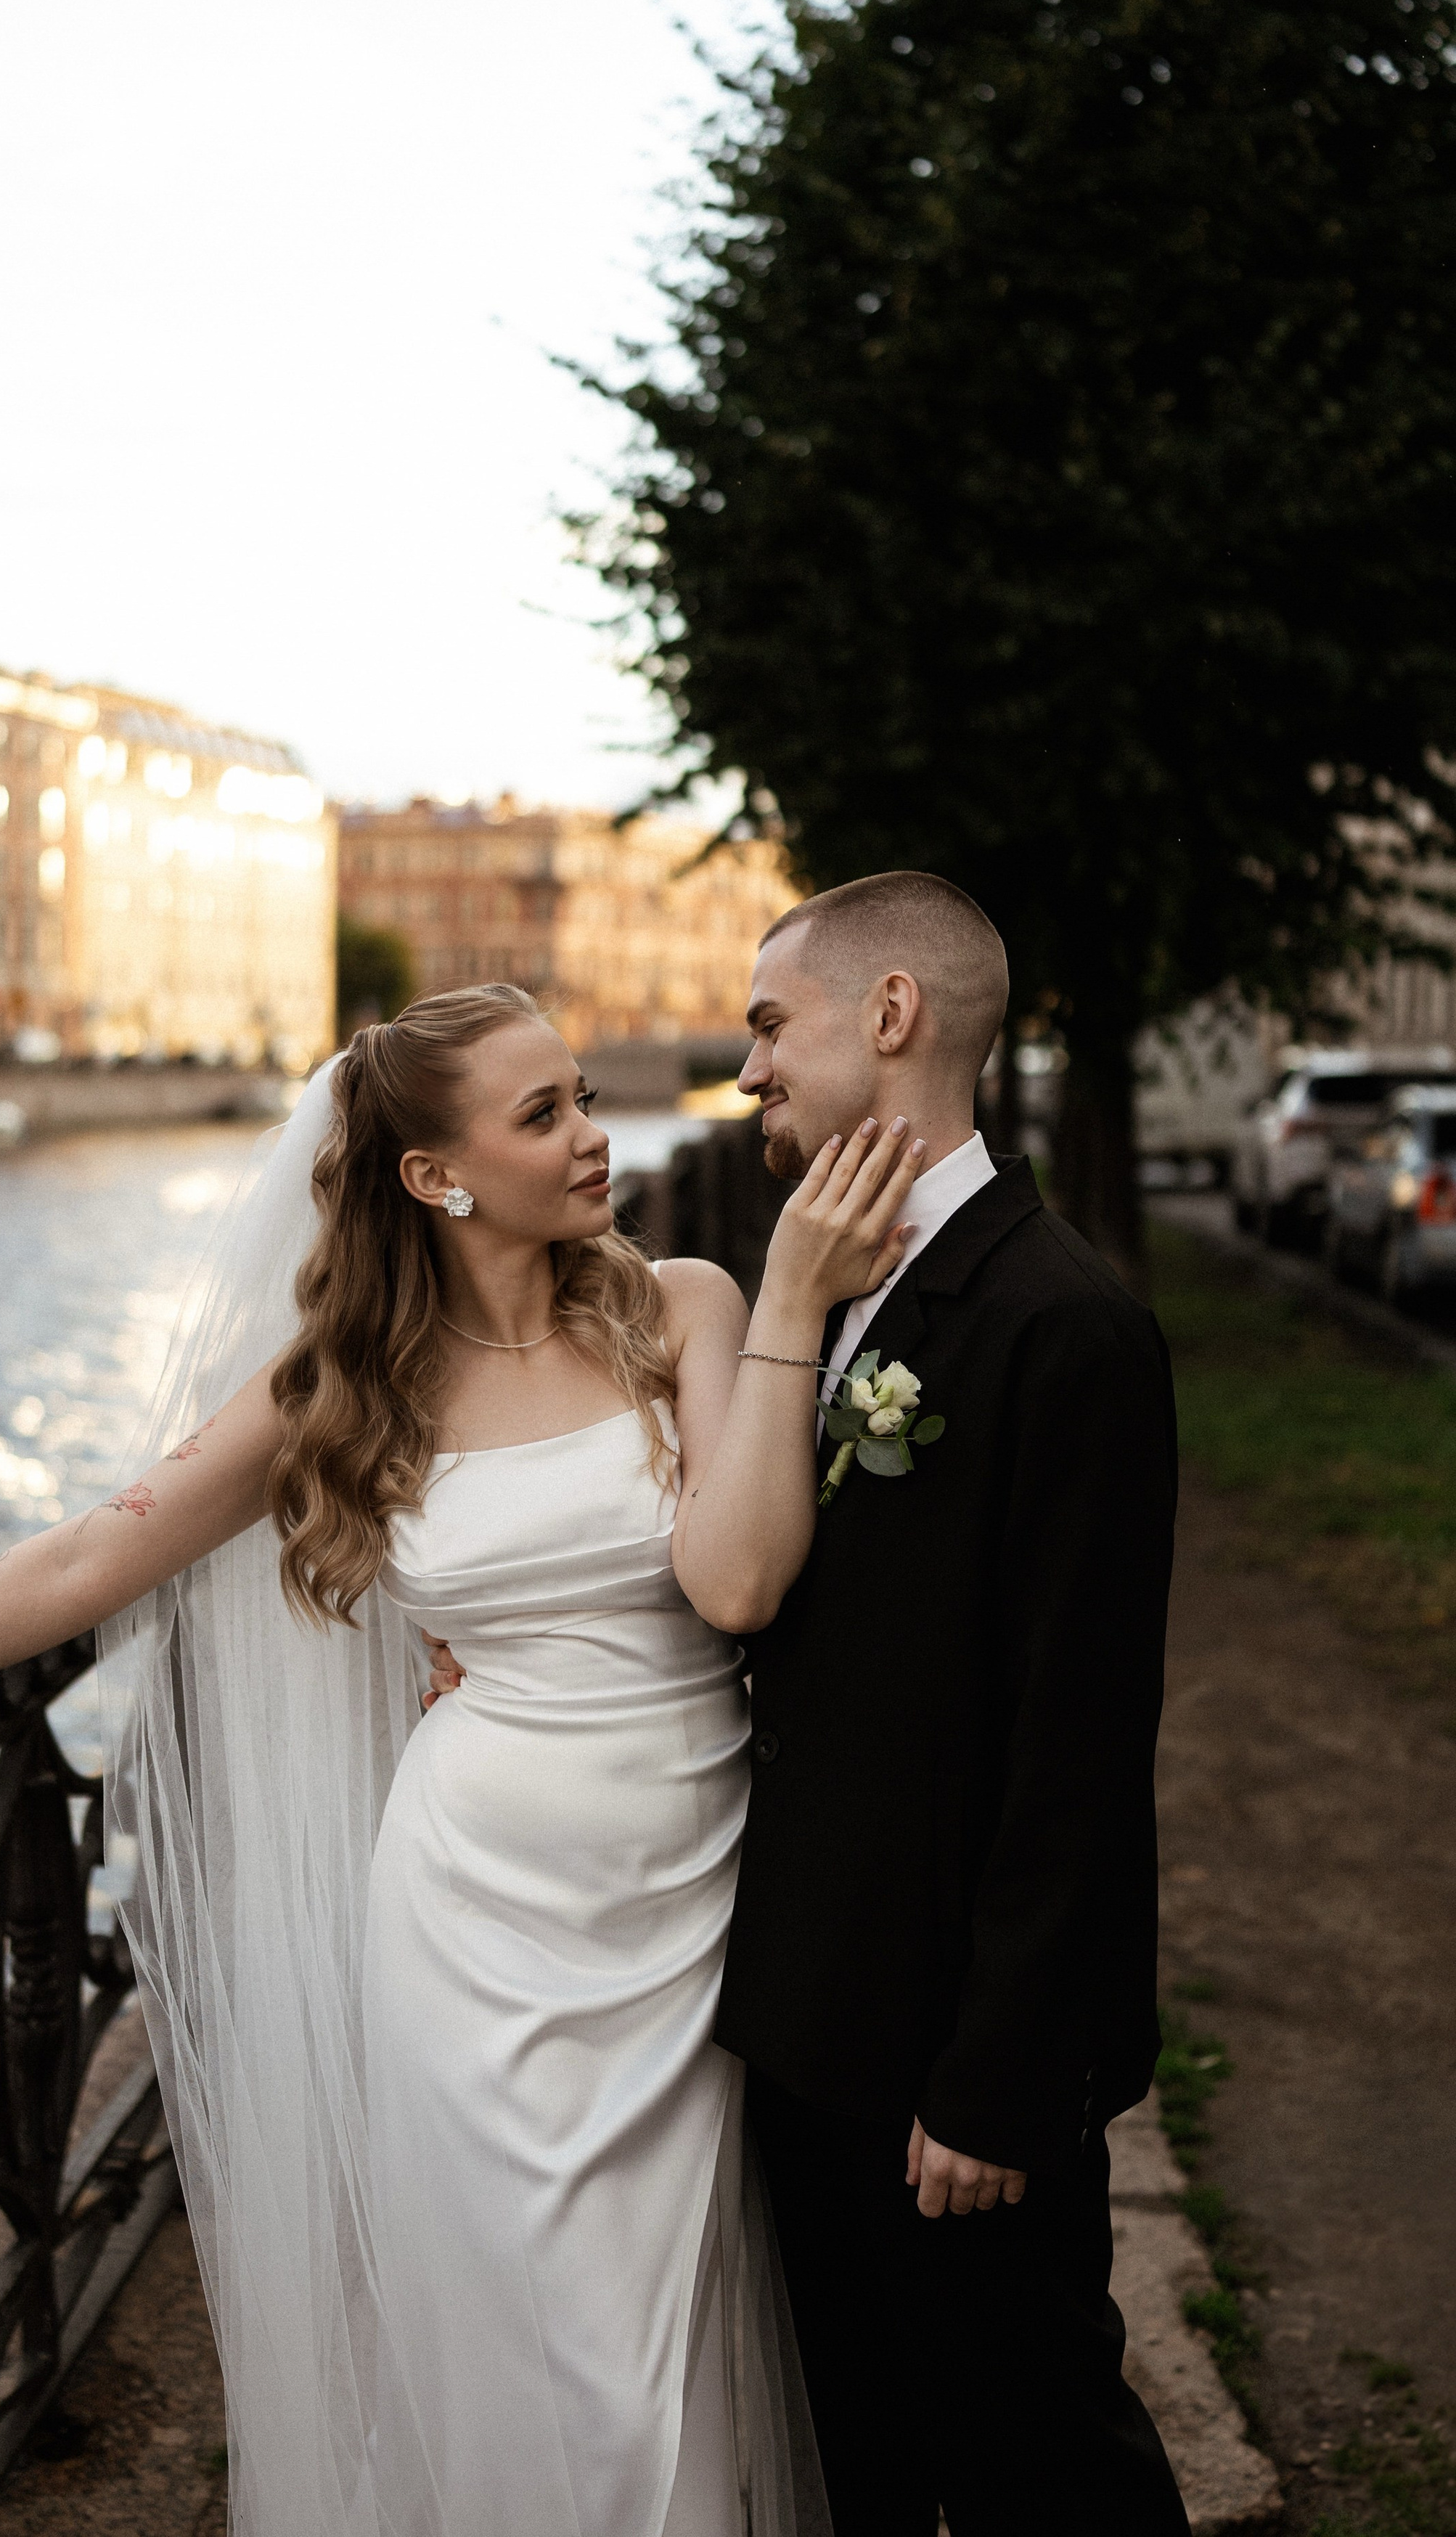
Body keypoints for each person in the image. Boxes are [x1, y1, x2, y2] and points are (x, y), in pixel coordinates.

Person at [0, 981, 923, 2537]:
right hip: (475, 1922)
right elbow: (84, 1562)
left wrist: (785, 1309)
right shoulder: (348, 1380)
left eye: (580, 1096)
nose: (592, 1137)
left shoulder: (689, 1307)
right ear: (434, 1176)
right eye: (545, 1113)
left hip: (686, 1902)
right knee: (525, 2335)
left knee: (661, 2335)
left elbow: (735, 1581)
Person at [430, 874, 1190, 2536]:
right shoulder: (826, 1293)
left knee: (1042, 2460)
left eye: (771, 1026)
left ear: (892, 1015)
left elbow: (1072, 1750)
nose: (748, 1069)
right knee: (866, 2462)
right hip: (805, 2018)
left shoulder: (1065, 1325)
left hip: (953, 2061)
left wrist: (994, 2082)